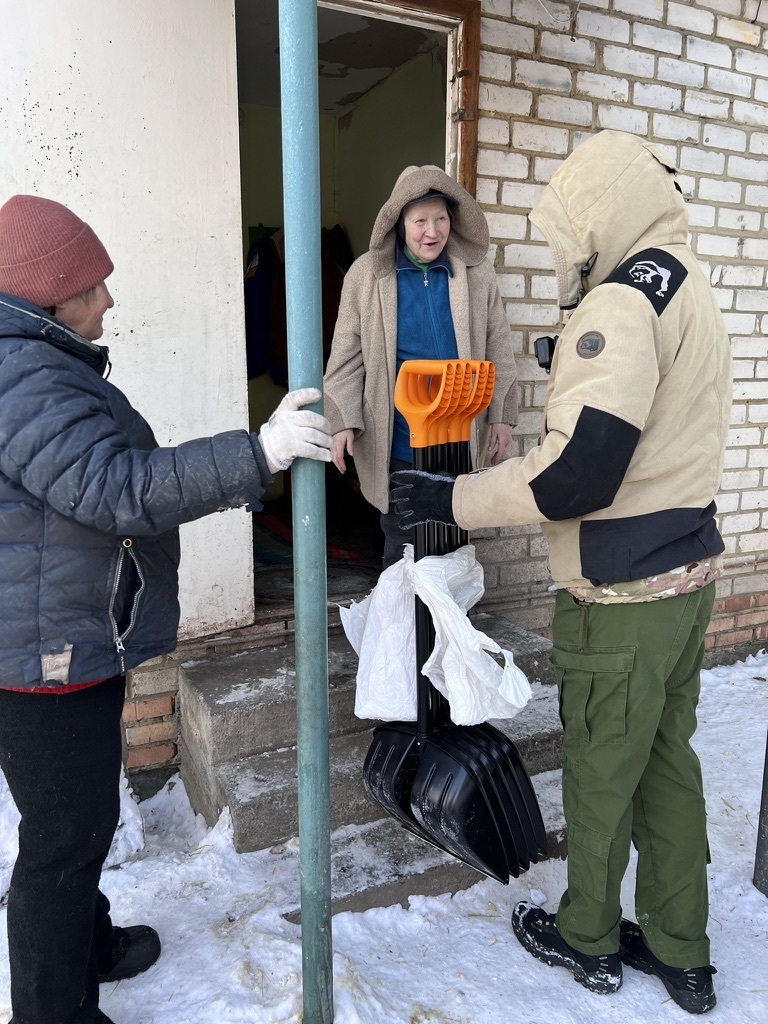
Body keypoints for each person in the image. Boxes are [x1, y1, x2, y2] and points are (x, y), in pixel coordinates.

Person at [390, 130, 732, 1015]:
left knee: (601, 773)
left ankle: (587, 938)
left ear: (596, 213)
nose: (566, 252)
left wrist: (454, 497)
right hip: (686, 579)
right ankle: (682, 952)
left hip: (619, 593)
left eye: (566, 231)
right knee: (666, 763)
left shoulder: (621, 301)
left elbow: (577, 474)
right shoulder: (684, 282)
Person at [0, 194, 332, 1024]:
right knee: (62, 842)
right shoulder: (25, 376)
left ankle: (91, 944)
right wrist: (257, 452)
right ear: (52, 297)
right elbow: (117, 489)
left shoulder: (31, 361)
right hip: (44, 657)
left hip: (57, 635)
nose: (108, 300)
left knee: (76, 821)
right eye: (94, 287)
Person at [322, 164, 518, 568]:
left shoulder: (476, 273)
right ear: (399, 223)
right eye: (420, 221)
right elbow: (346, 356)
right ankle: (404, 611)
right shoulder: (367, 275)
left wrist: (501, 415)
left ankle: (443, 611)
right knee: (403, 538)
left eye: (441, 218)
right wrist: (341, 420)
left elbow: (498, 343)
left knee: (454, 534)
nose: (433, 231)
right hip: (400, 437)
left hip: (460, 432)